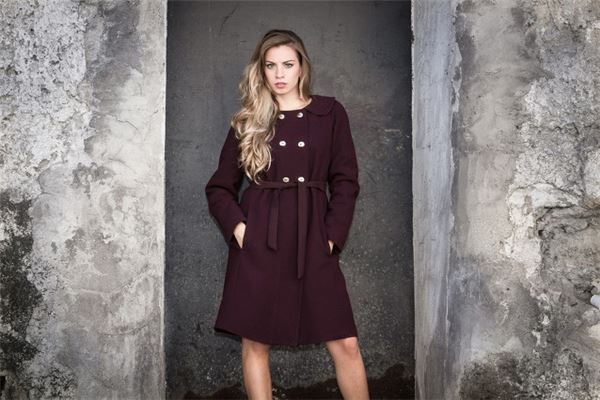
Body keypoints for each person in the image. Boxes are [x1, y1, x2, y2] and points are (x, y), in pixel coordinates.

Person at [205, 29, 369, 399]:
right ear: (260, 70)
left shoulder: (330, 113)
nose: (279, 74)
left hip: (313, 236)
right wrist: (242, 231)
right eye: (271, 65)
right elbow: (219, 187)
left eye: (288, 64)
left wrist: (331, 237)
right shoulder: (249, 120)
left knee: (346, 343)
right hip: (261, 238)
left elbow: (345, 182)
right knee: (255, 342)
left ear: (302, 68)